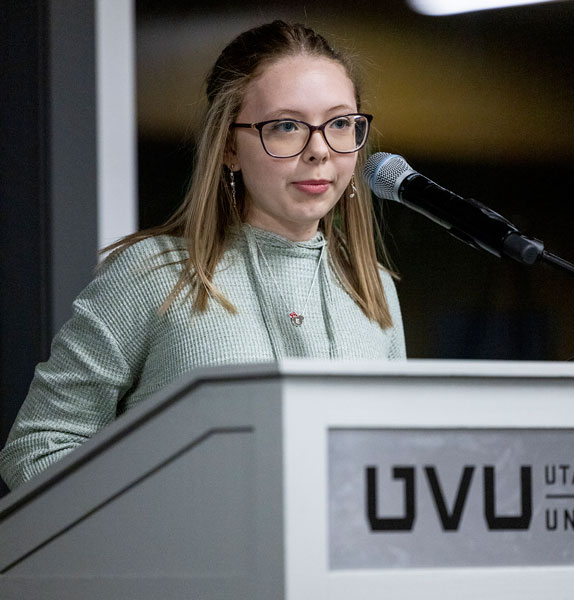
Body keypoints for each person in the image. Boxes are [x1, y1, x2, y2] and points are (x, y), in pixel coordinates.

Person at [0, 21, 406, 490]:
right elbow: (38, 447)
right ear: (230, 146)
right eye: (287, 126)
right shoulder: (153, 273)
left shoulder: (374, 288)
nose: (319, 151)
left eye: (339, 123)